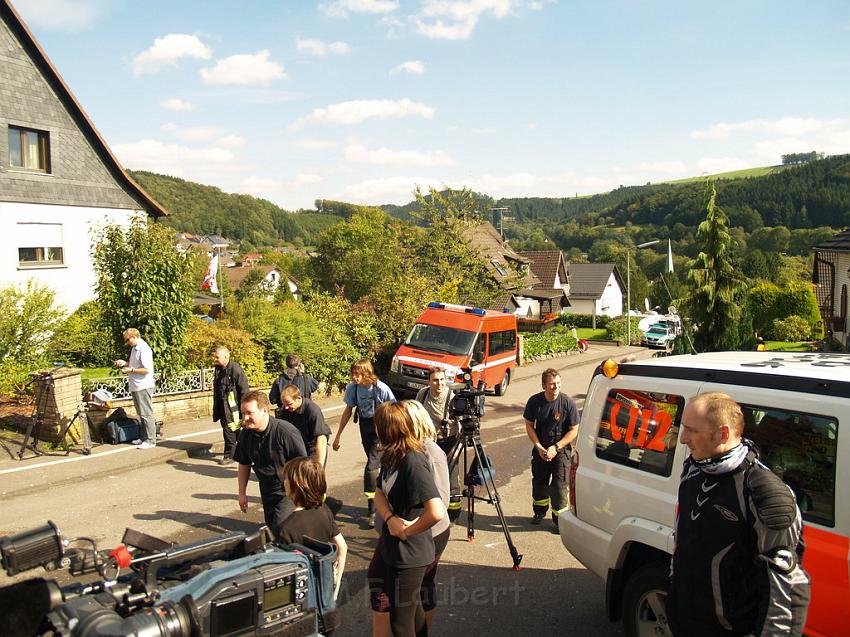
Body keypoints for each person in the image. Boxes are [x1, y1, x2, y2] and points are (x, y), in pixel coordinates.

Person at [668, 392, 811, 637]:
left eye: (691, 431)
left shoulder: (765, 493)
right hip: (686, 623)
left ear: (723, 433)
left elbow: (785, 587)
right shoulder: (694, 467)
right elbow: (683, 540)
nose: (682, 439)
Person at [369, 400, 451, 637]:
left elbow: (436, 510)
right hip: (396, 548)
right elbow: (379, 492)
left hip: (410, 554)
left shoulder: (413, 461)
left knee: (400, 623)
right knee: (413, 616)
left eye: (378, 425)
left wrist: (407, 530)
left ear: (387, 429)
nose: (375, 430)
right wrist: (389, 517)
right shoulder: (392, 454)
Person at [332, 359, 395, 527]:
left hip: (380, 430)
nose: (354, 378)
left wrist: (388, 434)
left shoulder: (381, 388)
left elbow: (394, 411)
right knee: (379, 467)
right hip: (365, 427)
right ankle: (386, 500)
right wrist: (338, 435)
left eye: (358, 374)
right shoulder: (353, 388)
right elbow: (348, 411)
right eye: (353, 374)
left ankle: (373, 511)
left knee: (371, 467)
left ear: (366, 373)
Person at [234, 390, 307, 531]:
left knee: (281, 529)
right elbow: (244, 463)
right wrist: (242, 493)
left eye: (250, 413)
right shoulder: (246, 434)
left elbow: (303, 465)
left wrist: (302, 498)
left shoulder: (285, 432)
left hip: (288, 491)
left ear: (264, 411)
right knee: (272, 529)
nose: (245, 418)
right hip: (267, 489)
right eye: (243, 413)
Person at [276, 457, 347, 594]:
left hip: (303, 592)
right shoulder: (324, 510)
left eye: (286, 479)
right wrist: (336, 585)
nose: (283, 482)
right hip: (324, 586)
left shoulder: (286, 528)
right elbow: (342, 546)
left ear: (296, 485)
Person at [522, 368, 579, 532]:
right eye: (552, 384)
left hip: (561, 451)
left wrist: (556, 447)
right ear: (543, 386)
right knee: (539, 482)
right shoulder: (534, 402)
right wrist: (538, 446)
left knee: (559, 486)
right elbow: (529, 425)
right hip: (541, 450)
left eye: (558, 383)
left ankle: (559, 520)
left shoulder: (567, 403)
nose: (556, 387)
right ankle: (539, 512)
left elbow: (574, 430)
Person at [415, 367, 461, 521]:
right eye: (435, 380)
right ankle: (430, 509)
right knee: (428, 477)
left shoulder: (452, 397)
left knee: (451, 478)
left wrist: (458, 448)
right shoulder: (422, 394)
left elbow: (462, 424)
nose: (439, 383)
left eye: (442, 380)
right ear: (429, 381)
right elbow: (416, 417)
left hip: (449, 442)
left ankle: (453, 514)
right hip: (428, 443)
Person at [113, 328, 157, 450]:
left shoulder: (144, 349)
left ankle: (151, 440)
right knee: (141, 413)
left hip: (143, 385)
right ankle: (143, 438)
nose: (127, 342)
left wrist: (130, 370)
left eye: (128, 339)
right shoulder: (135, 349)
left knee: (146, 413)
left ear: (134, 336)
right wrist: (125, 363)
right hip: (136, 385)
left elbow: (147, 369)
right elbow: (135, 365)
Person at [211, 346, 250, 465]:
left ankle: (230, 455)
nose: (215, 359)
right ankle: (242, 452)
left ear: (226, 357)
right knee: (233, 431)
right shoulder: (218, 369)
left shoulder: (236, 370)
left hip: (233, 409)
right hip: (223, 406)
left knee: (230, 430)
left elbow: (244, 390)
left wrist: (244, 410)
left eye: (217, 357)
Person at [280, 384, 331, 466]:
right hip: (298, 446)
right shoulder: (286, 410)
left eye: (289, 404)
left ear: (298, 398)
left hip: (313, 448)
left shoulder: (313, 410)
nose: (286, 407)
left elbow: (321, 439)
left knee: (312, 476)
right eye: (284, 404)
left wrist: (319, 466)